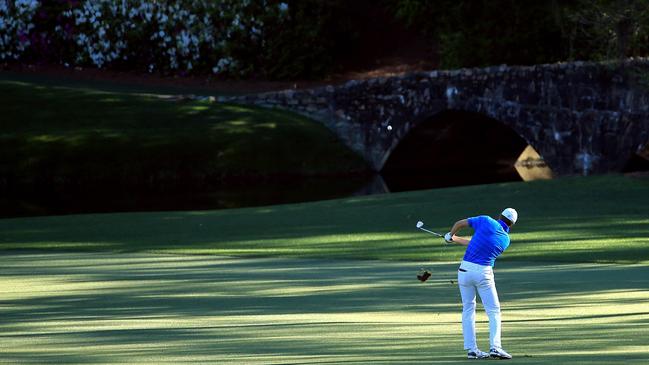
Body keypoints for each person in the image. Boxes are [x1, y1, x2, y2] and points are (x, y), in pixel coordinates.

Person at [443, 208, 517, 360]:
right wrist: (455, 238)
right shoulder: (505, 240)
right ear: (511, 225)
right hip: (483, 273)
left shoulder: (486, 220)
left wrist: (450, 236)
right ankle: (495, 347)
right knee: (493, 310)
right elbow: (478, 243)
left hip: (464, 271)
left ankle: (471, 350)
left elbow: (460, 223)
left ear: (500, 216)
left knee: (468, 308)